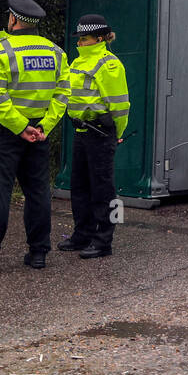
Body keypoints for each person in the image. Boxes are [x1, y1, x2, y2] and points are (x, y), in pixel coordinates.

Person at [0, 0, 69, 275]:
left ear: (13, 19)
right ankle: (38, 252)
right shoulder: (56, 52)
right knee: (38, 193)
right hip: (40, 133)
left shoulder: (1, 50)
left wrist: (20, 128)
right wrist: (43, 126)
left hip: (7, 133)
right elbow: (62, 95)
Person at [61, 14, 130, 259]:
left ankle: (103, 240)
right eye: (79, 39)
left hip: (101, 133)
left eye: (85, 39)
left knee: (103, 189)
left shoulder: (108, 64)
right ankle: (82, 234)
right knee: (79, 186)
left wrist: (116, 134)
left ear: (99, 38)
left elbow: (120, 105)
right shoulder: (78, 62)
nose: (79, 43)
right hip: (81, 131)